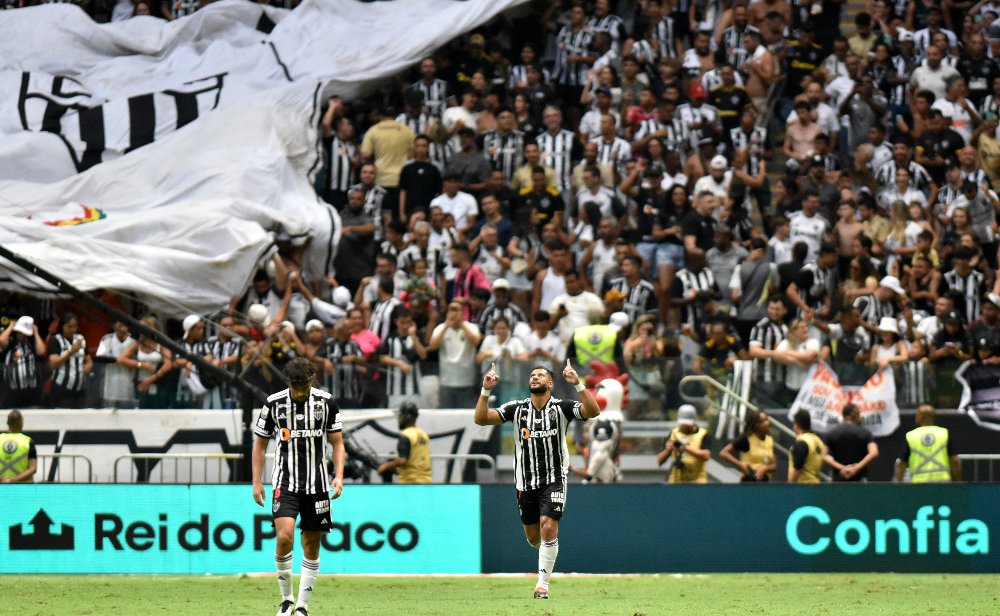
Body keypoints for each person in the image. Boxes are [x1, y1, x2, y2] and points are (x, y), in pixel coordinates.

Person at [473, 360, 601, 600]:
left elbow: (593, 411)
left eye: (541, 375)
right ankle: (545, 550)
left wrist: (579, 385)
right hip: (525, 483)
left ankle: (542, 585)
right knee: (534, 537)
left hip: (554, 479)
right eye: (532, 375)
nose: (535, 378)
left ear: (550, 383)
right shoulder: (517, 409)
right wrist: (485, 390)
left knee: (549, 526)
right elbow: (480, 419)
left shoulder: (561, 408)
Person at [252, 358, 346, 616]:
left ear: (312, 378)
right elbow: (259, 444)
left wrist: (338, 476)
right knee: (284, 537)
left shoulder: (326, 402)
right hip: (285, 482)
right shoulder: (273, 403)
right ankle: (286, 600)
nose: (299, 390)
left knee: (311, 544)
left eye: (303, 384)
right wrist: (257, 481)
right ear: (288, 382)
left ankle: (303, 606)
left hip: (317, 485)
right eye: (295, 385)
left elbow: (337, 442)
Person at [895, 404, 962, 483]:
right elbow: (955, 461)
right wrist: (958, 481)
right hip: (943, 482)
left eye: (917, 414)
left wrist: (899, 483)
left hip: (919, 483)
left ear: (921, 416)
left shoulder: (911, 436)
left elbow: (901, 463)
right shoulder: (943, 433)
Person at [377, 402, 432, 484]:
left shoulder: (406, 435)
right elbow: (415, 458)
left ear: (406, 417)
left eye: (400, 415)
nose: (399, 418)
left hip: (411, 482)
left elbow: (403, 461)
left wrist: (385, 466)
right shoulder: (423, 434)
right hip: (426, 481)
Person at [822, 403, 879, 482]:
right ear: (854, 415)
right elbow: (874, 452)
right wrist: (856, 468)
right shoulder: (865, 433)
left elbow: (823, 455)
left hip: (838, 479)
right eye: (859, 415)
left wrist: (842, 468)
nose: (860, 418)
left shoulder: (831, 433)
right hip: (860, 479)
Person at [656, 404, 712, 483]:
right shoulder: (673, 433)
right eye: (683, 424)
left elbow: (706, 455)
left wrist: (686, 448)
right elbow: (659, 460)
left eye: (687, 424)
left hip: (697, 482)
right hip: (675, 482)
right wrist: (668, 450)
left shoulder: (703, 434)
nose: (685, 426)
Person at [47, 312, 93, 408]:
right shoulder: (56, 340)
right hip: (61, 389)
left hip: (79, 390)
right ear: (63, 326)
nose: (72, 329)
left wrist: (84, 370)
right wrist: (70, 352)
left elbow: (89, 361)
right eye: (69, 326)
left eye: (74, 327)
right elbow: (53, 363)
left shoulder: (80, 340)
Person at [720, 410, 776, 482]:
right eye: (762, 421)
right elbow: (723, 453)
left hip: (765, 482)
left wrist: (765, 469)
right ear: (755, 424)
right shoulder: (746, 438)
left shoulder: (769, 440)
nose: (766, 423)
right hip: (749, 481)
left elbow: (774, 466)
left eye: (766, 420)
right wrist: (740, 465)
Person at [789, 410, 826, 484]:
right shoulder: (818, 441)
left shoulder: (802, 442)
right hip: (816, 484)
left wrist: (789, 487)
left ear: (796, 424)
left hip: (802, 487)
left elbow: (797, 469)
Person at [0, 410, 37, 483]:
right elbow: (33, 468)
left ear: (7, 423)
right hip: (23, 488)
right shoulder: (28, 441)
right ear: (21, 423)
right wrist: (12, 480)